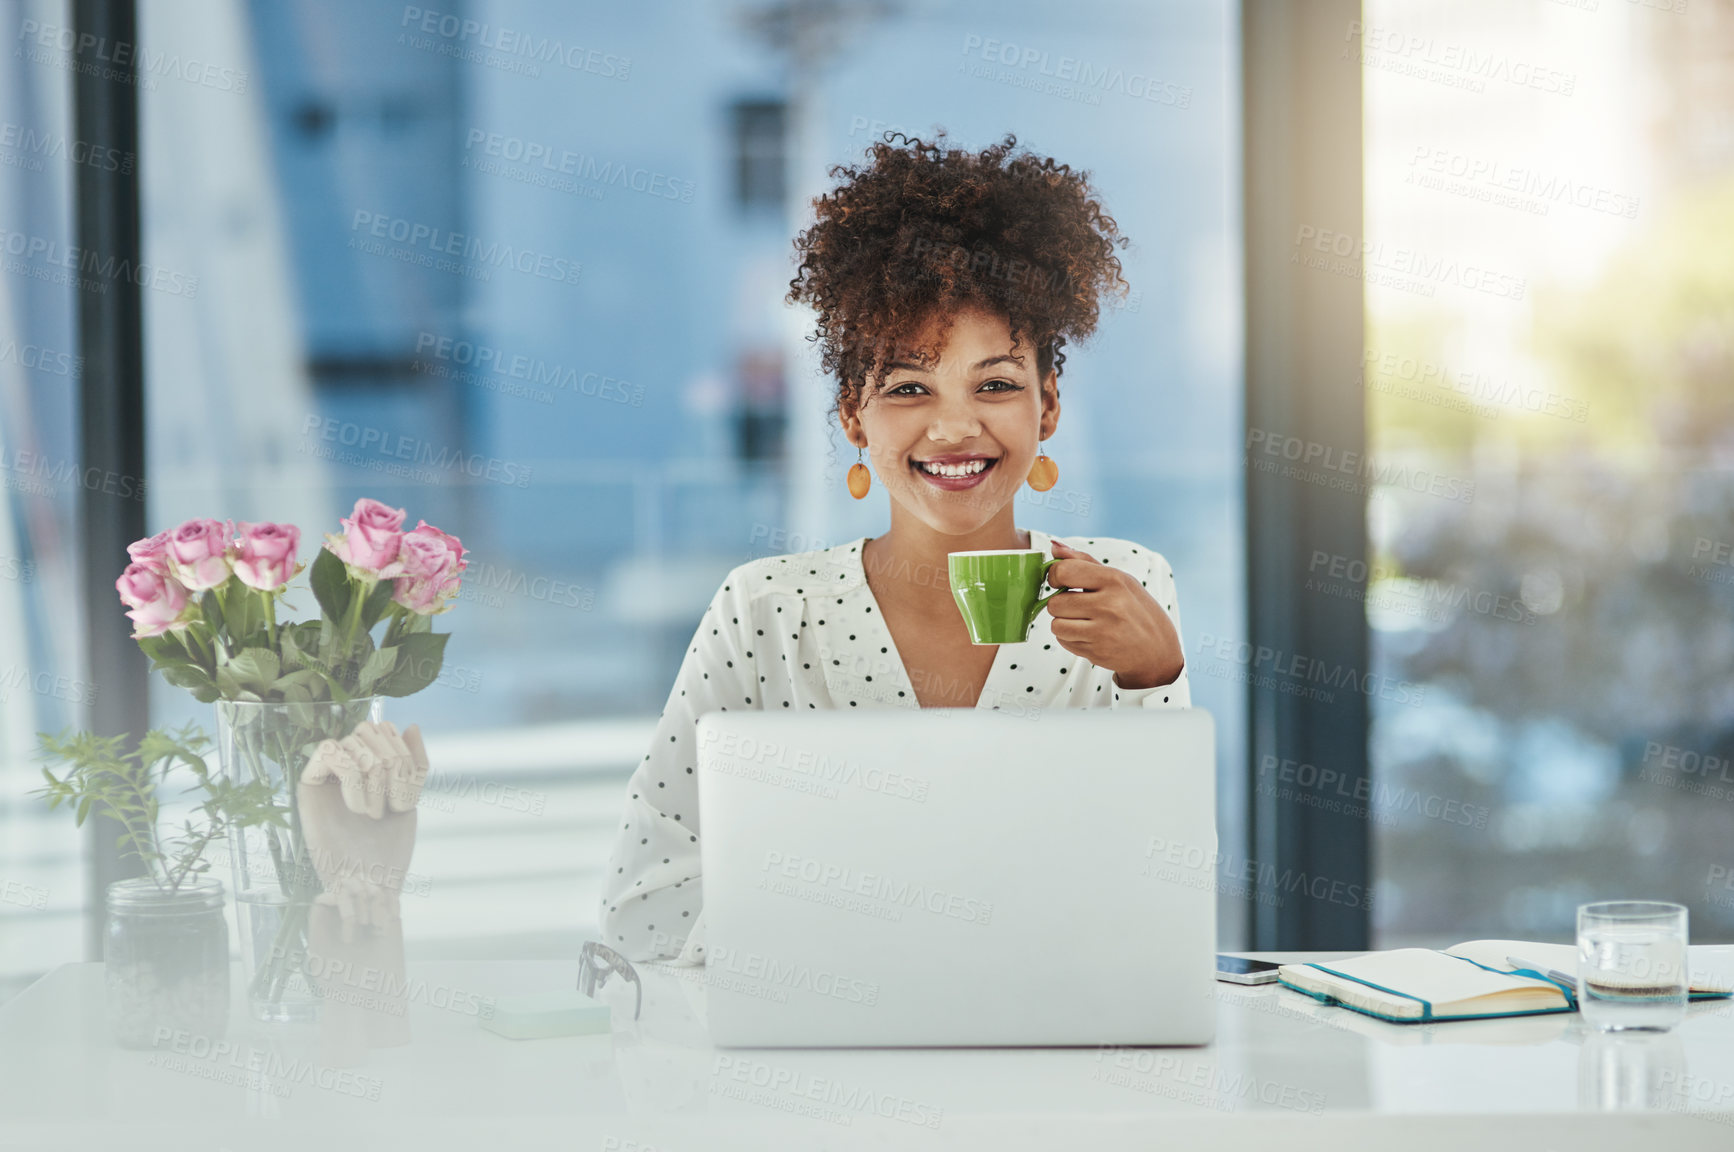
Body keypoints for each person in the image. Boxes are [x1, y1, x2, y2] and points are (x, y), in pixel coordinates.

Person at [599, 131, 1189, 963]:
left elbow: (1162, 902)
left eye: (996, 384)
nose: (954, 426)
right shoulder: (765, 612)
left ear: (1047, 407)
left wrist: (1152, 681)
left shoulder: (1128, 591)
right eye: (908, 387)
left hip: (1055, 1062)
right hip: (806, 1061)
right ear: (852, 415)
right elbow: (644, 909)